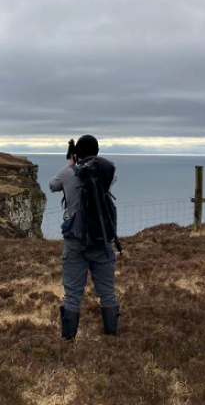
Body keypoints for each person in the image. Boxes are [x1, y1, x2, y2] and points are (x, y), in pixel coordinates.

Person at [49, 135, 121, 340]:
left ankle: (68, 339)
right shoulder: (107, 171)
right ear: (97, 151)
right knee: (107, 290)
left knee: (73, 293)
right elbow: (110, 181)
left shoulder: (69, 173)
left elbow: (52, 185)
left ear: (76, 153)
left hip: (75, 240)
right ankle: (111, 335)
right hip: (102, 237)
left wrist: (71, 163)